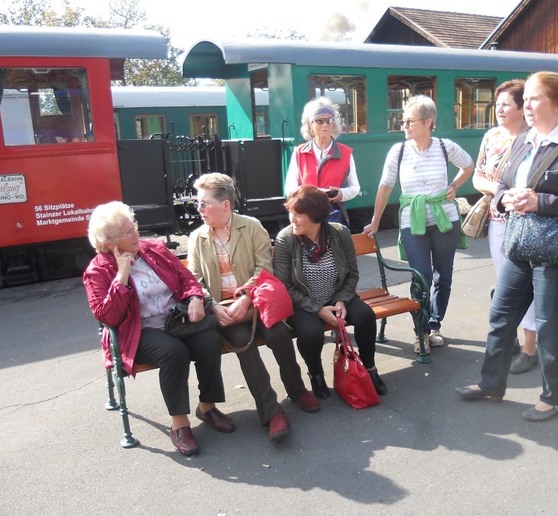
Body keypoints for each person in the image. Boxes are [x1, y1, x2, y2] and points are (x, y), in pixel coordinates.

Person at [456, 71, 558, 421]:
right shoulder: (524, 141)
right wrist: (504, 198)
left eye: (534, 98)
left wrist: (542, 202)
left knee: (549, 325)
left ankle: (553, 398)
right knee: (501, 316)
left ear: (557, 103)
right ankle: (491, 384)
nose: (526, 105)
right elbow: (501, 184)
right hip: (522, 243)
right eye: (524, 99)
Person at [83, 201, 233, 456]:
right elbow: (108, 316)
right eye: (128, 232)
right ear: (109, 243)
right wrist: (121, 277)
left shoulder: (154, 249)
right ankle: (180, 424)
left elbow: (185, 278)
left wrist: (195, 298)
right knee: (174, 353)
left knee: (209, 339)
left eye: (134, 227)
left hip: (176, 320)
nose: (136, 234)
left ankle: (207, 407)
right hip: (137, 332)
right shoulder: (97, 270)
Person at [186, 173, 320, 442]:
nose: (199, 209)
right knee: (243, 344)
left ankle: (296, 389)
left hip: (256, 303)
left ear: (225, 205)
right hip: (225, 312)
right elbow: (194, 280)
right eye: (197, 203)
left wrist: (246, 296)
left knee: (279, 333)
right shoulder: (197, 238)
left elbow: (265, 267)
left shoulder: (251, 227)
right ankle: (272, 413)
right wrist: (213, 307)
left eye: (204, 203)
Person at [362, 95, 474, 354]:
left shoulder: (445, 147)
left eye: (409, 121)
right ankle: (420, 331)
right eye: (403, 121)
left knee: (443, 275)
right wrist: (375, 221)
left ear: (428, 122)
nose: (404, 126)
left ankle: (434, 325)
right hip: (412, 222)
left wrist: (455, 186)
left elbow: (468, 165)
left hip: (444, 220)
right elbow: (385, 186)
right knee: (421, 276)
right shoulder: (398, 151)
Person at [273, 185, 387, 399]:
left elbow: (352, 273)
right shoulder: (285, 239)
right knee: (311, 332)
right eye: (291, 212)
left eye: (299, 214)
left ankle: (370, 368)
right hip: (303, 303)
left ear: (316, 215)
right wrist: (317, 309)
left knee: (365, 316)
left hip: (337, 296)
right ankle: (316, 374)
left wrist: (342, 300)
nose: (292, 219)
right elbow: (284, 285)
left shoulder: (339, 233)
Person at [472, 79, 538, 375]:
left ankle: (530, 348)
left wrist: (513, 195)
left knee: (529, 284)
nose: (499, 110)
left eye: (505, 105)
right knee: (506, 282)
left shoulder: (534, 139)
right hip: (498, 219)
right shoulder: (491, 137)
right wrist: (500, 191)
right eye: (497, 104)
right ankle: (511, 338)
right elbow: (477, 177)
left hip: (527, 222)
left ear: (522, 108)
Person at [284, 97, 361, 227]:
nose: (325, 125)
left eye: (329, 120)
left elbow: (355, 188)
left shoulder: (345, 153)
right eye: (319, 121)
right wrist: (310, 195)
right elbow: (289, 189)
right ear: (310, 125)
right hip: (305, 216)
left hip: (334, 217)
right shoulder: (299, 152)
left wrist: (341, 194)